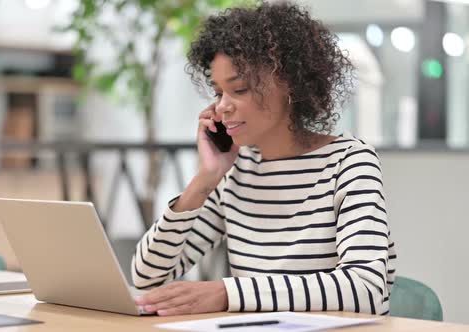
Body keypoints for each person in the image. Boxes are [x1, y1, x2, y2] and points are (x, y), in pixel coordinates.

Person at [133, 1, 396, 317]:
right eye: (218, 93)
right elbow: (148, 277)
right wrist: (204, 180)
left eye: (240, 89)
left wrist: (227, 292)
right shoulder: (236, 172)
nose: (222, 107)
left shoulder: (349, 162)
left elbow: (364, 289)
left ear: (289, 84)